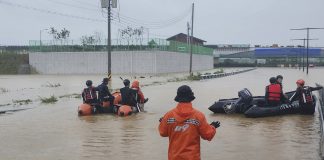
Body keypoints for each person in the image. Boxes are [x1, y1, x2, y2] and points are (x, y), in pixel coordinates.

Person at [158, 85, 220, 160]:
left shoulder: (168, 116)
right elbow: (207, 135)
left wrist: (162, 122)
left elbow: (163, 133)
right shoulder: (198, 116)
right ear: (191, 98)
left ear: (178, 98)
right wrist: (212, 126)